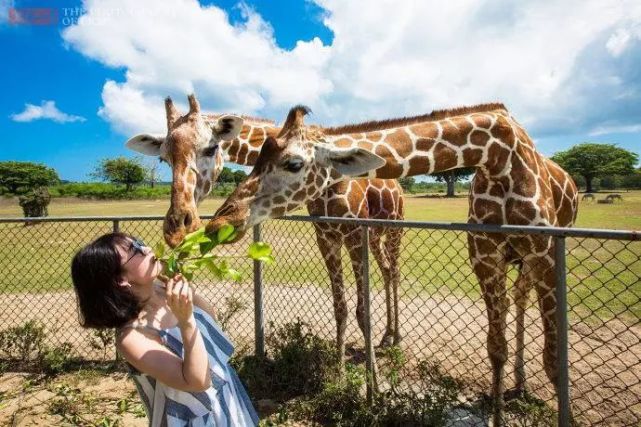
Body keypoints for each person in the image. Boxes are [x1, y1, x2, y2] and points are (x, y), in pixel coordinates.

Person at [71, 232, 258, 426]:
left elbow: (211, 320)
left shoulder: (163, 287)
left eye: (139, 242)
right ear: (120, 280)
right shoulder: (132, 337)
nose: (147, 249)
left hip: (225, 403)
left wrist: (191, 293)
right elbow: (197, 382)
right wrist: (186, 321)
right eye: (135, 250)